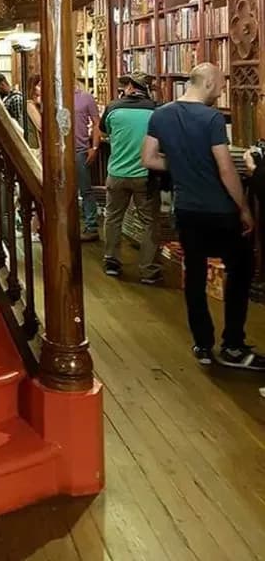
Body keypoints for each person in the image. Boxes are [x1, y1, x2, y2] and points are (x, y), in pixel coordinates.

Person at [142, 62, 265, 369]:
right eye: (221, 84)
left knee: (194, 275)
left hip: (186, 209)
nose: (221, 90)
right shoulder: (211, 118)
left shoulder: (160, 115)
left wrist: (182, 166)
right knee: (241, 269)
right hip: (219, 209)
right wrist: (244, 208)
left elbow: (149, 158)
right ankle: (233, 345)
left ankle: (203, 344)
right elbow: (225, 168)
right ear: (208, 83)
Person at [100, 71, 162, 283]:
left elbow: (105, 132)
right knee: (150, 222)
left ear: (130, 87)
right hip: (145, 175)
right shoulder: (156, 110)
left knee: (113, 217)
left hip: (116, 172)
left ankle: (112, 262)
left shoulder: (113, 108)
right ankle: (148, 270)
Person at [74, 79, 101, 240]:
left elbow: (97, 123)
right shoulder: (54, 97)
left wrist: (95, 147)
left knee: (85, 189)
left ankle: (91, 226)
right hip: (59, 151)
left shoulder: (86, 97)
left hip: (80, 149)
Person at [25, 73, 42, 151]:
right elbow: (41, 125)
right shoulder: (29, 104)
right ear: (33, 87)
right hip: (36, 148)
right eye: (40, 85)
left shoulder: (37, 104)